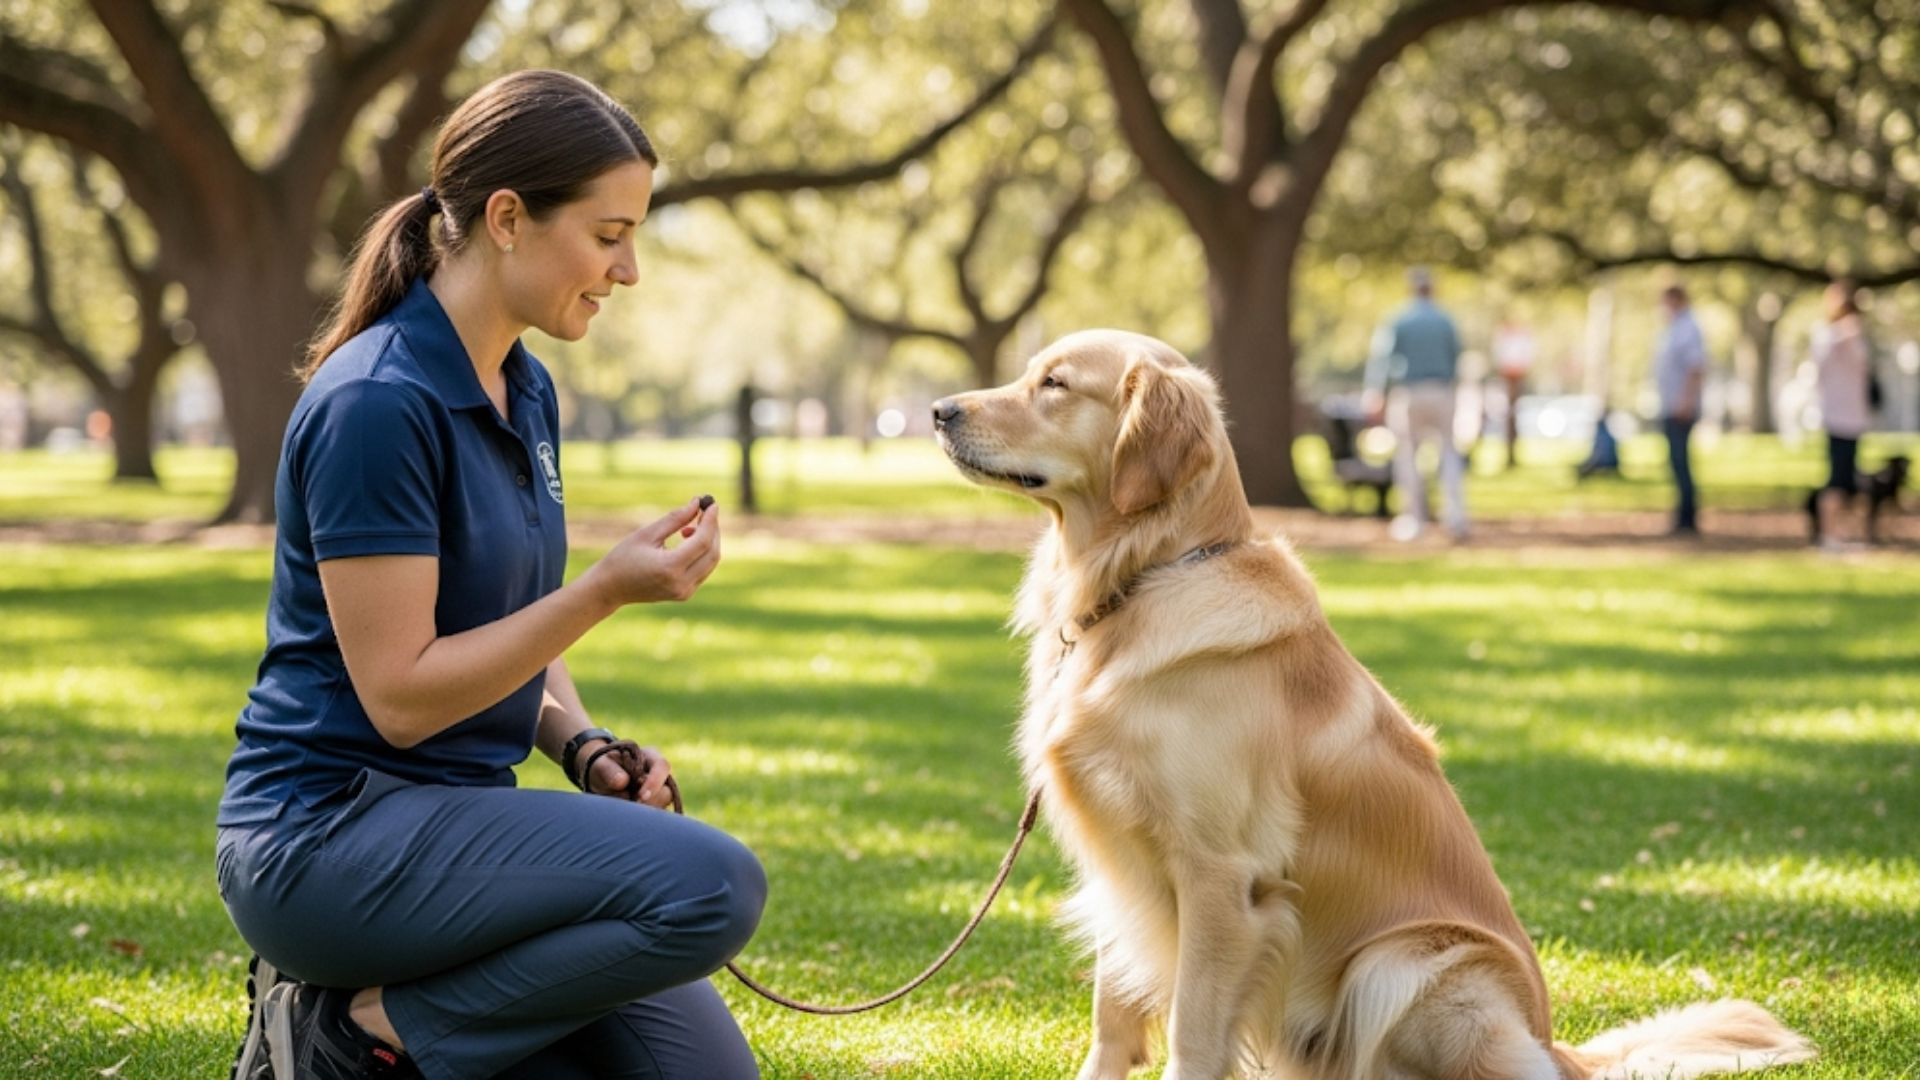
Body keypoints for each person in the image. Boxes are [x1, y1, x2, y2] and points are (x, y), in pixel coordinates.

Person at [218, 70, 765, 1080]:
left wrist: (585, 744)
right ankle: (348, 1034)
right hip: (327, 838)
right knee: (712, 885)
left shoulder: (525, 385)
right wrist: (602, 591)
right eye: (609, 236)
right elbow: (401, 698)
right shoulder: (379, 402)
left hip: (458, 828)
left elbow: (513, 623)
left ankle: (405, 1031)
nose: (629, 270)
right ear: (507, 218)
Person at [1364, 266, 1468, 541]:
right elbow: (1457, 357)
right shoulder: (1445, 320)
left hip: (1409, 393)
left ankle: (1413, 520)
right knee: (1448, 454)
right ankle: (1455, 517)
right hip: (1442, 391)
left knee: (1408, 456)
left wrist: (1376, 393)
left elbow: (1382, 359)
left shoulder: (1399, 319)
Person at [1811, 278, 1874, 550]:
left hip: (1854, 417)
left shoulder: (1857, 337)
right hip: (1837, 417)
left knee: (1851, 480)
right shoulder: (1828, 335)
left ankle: (1847, 535)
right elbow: (1821, 364)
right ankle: (1829, 535)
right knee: (1836, 479)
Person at [1652, 283, 1706, 536]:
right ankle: (1682, 516)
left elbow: (1695, 368)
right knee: (1675, 462)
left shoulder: (1688, 329)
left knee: (1681, 461)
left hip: (1680, 408)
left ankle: (1687, 519)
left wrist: (1685, 401)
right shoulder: (1673, 328)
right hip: (1670, 404)